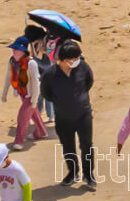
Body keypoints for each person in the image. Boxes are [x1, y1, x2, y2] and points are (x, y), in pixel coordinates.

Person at [41, 42, 96, 188]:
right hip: (63, 118)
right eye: (71, 60)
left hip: (83, 115)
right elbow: (46, 94)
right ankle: (72, 173)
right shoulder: (50, 74)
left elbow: (89, 82)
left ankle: (89, 174)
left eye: (77, 58)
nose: (75, 62)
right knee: (68, 146)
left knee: (87, 145)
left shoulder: (83, 67)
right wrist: (62, 103)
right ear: (62, 60)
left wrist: (80, 97)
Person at [3, 37, 50, 149]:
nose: (14, 51)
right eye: (13, 49)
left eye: (17, 49)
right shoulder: (12, 61)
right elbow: (9, 76)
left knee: (22, 117)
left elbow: (36, 83)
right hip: (22, 92)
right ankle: (42, 132)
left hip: (31, 94)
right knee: (33, 113)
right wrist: (5, 93)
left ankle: (18, 141)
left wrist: (34, 100)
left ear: (23, 51)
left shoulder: (31, 63)